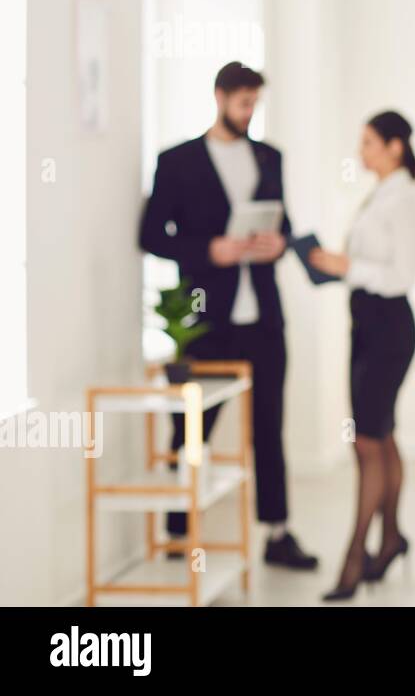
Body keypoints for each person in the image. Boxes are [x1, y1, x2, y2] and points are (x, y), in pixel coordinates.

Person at [139, 61, 319, 569]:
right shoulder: (176, 161)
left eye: (255, 103)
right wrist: (208, 250)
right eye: (243, 102)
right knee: (192, 425)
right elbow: (152, 236)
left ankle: (278, 534)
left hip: (263, 315)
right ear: (220, 97)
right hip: (205, 317)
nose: (250, 111)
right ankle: (178, 532)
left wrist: (276, 244)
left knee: (269, 426)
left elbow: (286, 224)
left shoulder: (268, 157)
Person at [308, 110, 415, 602]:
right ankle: (391, 538)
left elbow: (400, 276)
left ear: (395, 147)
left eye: (370, 143)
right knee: (382, 436)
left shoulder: (405, 199)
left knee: (367, 444)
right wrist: (335, 265)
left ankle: (355, 556)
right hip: (368, 328)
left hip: (388, 330)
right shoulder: (381, 193)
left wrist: (347, 265)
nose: (362, 152)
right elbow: (370, 265)